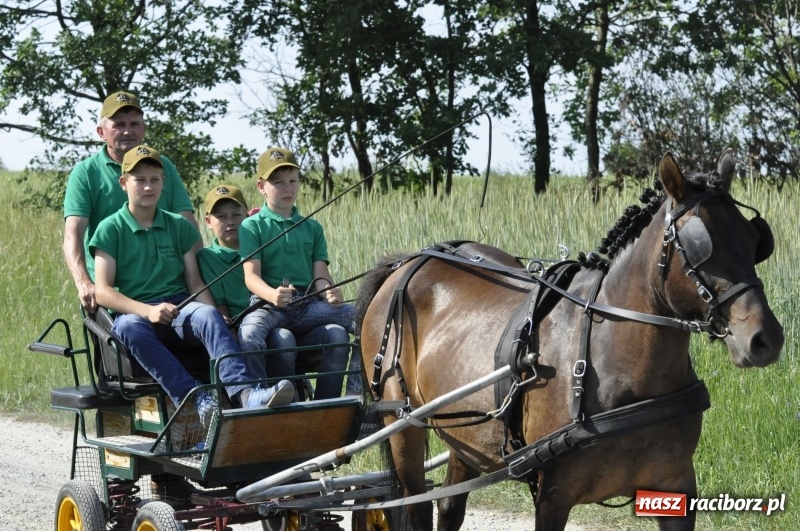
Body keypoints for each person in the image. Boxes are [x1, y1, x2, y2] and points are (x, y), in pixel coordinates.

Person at [89, 145, 295, 427]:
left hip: (179, 308)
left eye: (155, 179)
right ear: (124, 183)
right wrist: (147, 311)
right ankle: (195, 399)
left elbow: (195, 282)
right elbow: (103, 291)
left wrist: (224, 320)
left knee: (208, 315)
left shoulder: (179, 226)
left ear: (163, 182)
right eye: (140, 180)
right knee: (126, 328)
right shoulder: (110, 228)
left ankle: (246, 393)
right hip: (136, 313)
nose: (148, 186)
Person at [237, 147, 360, 400]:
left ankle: (348, 398)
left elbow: (321, 273)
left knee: (366, 319)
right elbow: (250, 277)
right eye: (278, 182)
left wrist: (330, 292)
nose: (287, 188)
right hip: (268, 305)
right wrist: (272, 294)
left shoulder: (312, 227)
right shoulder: (251, 226)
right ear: (261, 186)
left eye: (293, 181)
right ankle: (258, 398)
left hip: (306, 305)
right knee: (249, 334)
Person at [63, 90, 199, 313]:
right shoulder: (86, 173)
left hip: (171, 289)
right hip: (116, 292)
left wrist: (200, 280)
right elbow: (73, 233)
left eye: (135, 124)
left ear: (144, 129)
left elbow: (188, 226)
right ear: (101, 132)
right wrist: (84, 283)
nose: (128, 131)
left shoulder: (163, 167)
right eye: (119, 124)